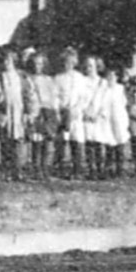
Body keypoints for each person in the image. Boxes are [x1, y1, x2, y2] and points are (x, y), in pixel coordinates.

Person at [55, 49, 94, 178]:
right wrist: (60, 108)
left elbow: (84, 97)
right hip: (63, 113)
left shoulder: (79, 78)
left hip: (76, 113)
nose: (68, 64)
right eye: (66, 62)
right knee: (61, 140)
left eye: (71, 62)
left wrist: (77, 108)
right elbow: (55, 96)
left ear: (75, 62)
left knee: (76, 141)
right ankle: (60, 169)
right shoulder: (58, 78)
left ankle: (77, 170)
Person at [22, 50, 58, 178]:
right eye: (36, 64)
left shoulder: (48, 79)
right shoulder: (28, 79)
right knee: (36, 140)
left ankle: (45, 167)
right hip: (34, 111)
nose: (38, 66)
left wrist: (53, 111)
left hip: (47, 111)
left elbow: (53, 97)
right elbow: (27, 96)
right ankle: (36, 168)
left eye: (40, 64)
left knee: (46, 141)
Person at [0, 48, 27, 180]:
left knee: (18, 140)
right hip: (5, 111)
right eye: (5, 60)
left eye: (9, 60)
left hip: (18, 110)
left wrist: (28, 111)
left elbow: (28, 94)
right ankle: (6, 170)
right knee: (6, 140)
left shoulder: (21, 76)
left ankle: (18, 170)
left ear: (14, 61)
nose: (7, 63)